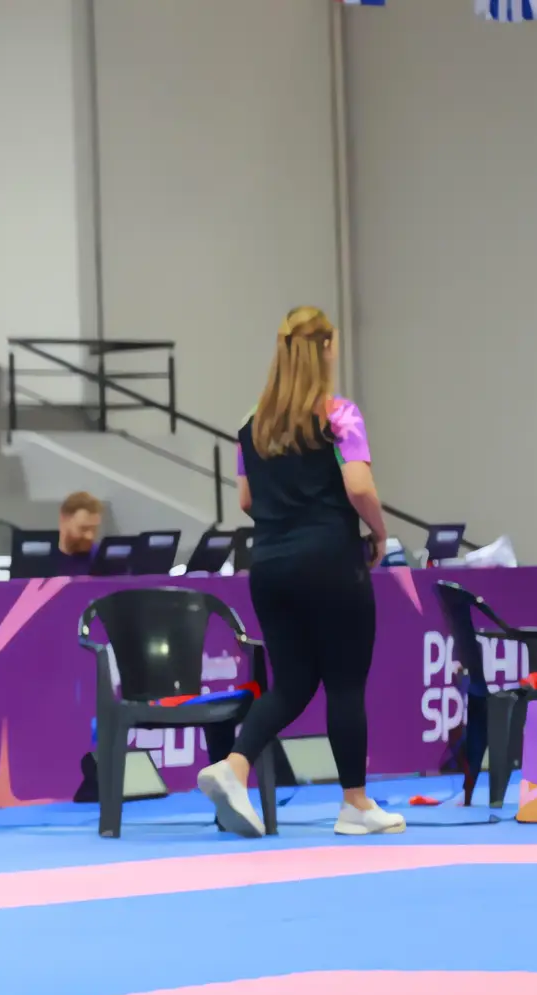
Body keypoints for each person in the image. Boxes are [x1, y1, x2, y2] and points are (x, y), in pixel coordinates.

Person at [196, 306, 403, 838]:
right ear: (326, 350)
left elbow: (246, 500)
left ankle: (233, 766)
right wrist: (378, 532)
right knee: (345, 683)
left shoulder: (252, 423)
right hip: (331, 562)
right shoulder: (339, 415)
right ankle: (355, 804)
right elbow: (358, 487)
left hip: (268, 566)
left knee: (291, 683)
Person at [53, 491, 103, 577]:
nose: (89, 536)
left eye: (94, 529)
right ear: (64, 519)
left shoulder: (99, 559)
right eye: (83, 528)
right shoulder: (43, 560)